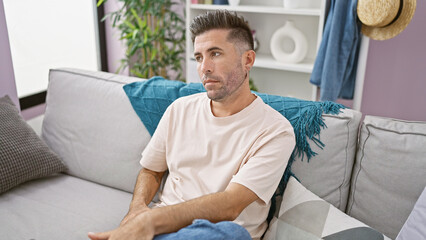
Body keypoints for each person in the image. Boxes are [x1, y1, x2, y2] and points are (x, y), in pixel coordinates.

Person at [88, 10, 295, 240]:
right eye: (198, 57)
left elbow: (230, 205)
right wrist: (137, 211)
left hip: (219, 233)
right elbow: (151, 170)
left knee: (232, 232)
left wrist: (151, 220)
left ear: (247, 60)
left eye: (215, 54)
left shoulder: (276, 131)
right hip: (163, 230)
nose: (204, 68)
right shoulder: (179, 109)